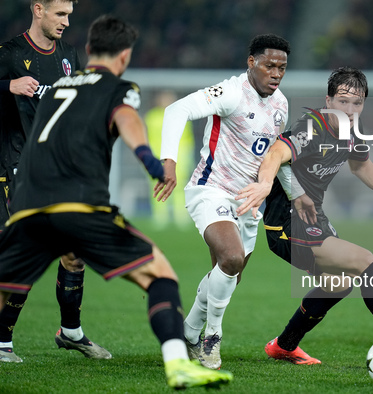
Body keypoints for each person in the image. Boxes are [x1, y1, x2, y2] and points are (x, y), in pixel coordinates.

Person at [0, 15, 233, 389]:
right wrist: (151, 161)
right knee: (160, 275)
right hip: (78, 206)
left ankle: (69, 330)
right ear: (124, 56)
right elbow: (127, 119)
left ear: (89, 50)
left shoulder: (58, 86)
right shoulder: (120, 87)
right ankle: (178, 364)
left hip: (27, 205)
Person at [235, 66, 373, 374]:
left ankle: (284, 345)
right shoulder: (312, 126)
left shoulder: (353, 131)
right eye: (343, 101)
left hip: (315, 219)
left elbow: (360, 167)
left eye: (357, 103)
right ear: (328, 100)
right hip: (286, 223)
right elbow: (275, 153)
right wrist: (264, 184)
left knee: (338, 283)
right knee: (365, 261)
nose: (350, 109)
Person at [155, 34, 290, 370]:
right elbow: (177, 109)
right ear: (252, 62)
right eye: (270, 65)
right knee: (231, 258)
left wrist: (296, 196)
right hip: (211, 189)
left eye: (282, 68)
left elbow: (276, 157)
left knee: (230, 272)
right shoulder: (231, 92)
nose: (276, 73)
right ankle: (211, 338)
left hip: (248, 202)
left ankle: (187, 333)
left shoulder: (280, 106)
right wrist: (168, 161)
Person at [0, 0, 110, 362]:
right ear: (38, 10)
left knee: (73, 253)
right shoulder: (10, 53)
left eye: (69, 15)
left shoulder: (68, 55)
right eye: (60, 14)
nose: (66, 21)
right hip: (17, 165)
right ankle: (1, 340)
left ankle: (70, 331)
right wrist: (8, 86)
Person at [145, 90, 194, 229]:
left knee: (180, 185)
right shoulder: (152, 117)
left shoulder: (180, 115)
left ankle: (181, 215)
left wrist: (188, 155)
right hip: (156, 156)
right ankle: (160, 215)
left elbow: (187, 138)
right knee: (157, 184)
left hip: (180, 155)